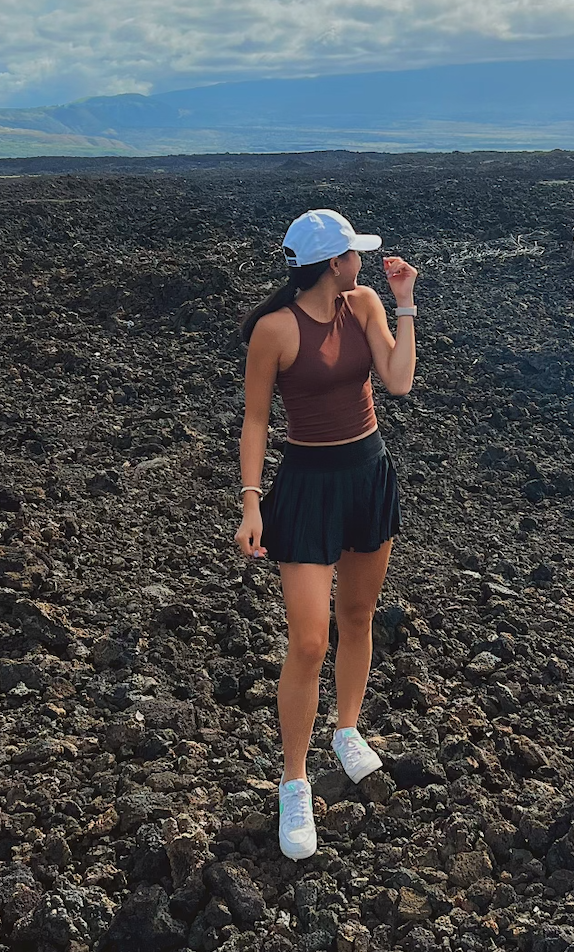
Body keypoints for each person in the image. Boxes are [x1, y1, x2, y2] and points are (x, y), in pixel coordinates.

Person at [234, 208, 418, 860]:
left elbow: (397, 381)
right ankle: (293, 782)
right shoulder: (274, 331)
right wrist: (252, 502)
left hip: (367, 472)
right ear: (329, 263)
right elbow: (256, 421)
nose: (362, 263)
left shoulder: (364, 303)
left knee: (359, 614)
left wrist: (404, 304)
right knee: (310, 641)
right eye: (353, 256)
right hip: (308, 486)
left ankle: (345, 730)